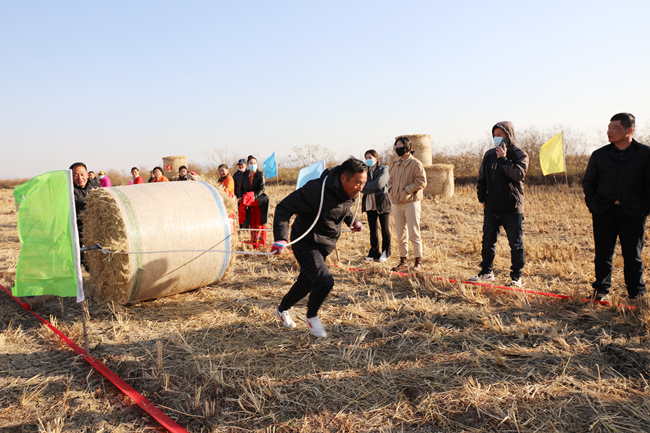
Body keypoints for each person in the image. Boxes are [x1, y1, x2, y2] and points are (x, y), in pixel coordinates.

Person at [271, 158, 365, 337]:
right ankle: (312, 316)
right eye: (358, 183)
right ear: (343, 178)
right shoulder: (315, 190)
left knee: (306, 281)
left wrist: (353, 221)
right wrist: (281, 238)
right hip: (306, 242)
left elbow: (342, 208)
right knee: (324, 281)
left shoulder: (348, 192)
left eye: (364, 183)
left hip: (325, 244)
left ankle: (281, 309)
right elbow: (283, 207)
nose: (361, 187)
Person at [583, 113, 650, 301]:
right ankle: (601, 290)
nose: (609, 131)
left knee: (632, 254)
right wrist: (593, 205)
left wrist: (644, 208)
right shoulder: (600, 155)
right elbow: (589, 182)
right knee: (603, 253)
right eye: (609, 127)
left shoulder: (645, 154)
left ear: (629, 130)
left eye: (615, 128)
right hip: (604, 210)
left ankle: (636, 294)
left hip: (633, 212)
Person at [469, 121, 529, 287]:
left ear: (509, 135)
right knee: (487, 242)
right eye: (495, 135)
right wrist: (482, 198)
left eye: (500, 135)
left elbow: (517, 175)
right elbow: (482, 177)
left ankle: (516, 277)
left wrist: (503, 159)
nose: (497, 138)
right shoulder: (489, 155)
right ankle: (486, 273)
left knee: (516, 244)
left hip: (512, 208)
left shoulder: (520, 154)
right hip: (491, 208)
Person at [387, 136, 427, 272]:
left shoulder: (416, 163)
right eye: (396, 145)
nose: (398, 147)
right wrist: (391, 191)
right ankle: (403, 261)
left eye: (400, 145)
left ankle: (418, 262)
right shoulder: (396, 164)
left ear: (408, 147)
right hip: (397, 203)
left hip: (411, 202)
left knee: (414, 233)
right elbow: (390, 180)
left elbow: (421, 181)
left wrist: (407, 190)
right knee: (400, 234)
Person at [361, 149, 391, 262]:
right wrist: (369, 186)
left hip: (381, 201)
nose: (368, 160)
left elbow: (379, 184)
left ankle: (386, 251)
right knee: (372, 229)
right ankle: (374, 251)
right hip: (369, 202)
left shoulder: (383, 169)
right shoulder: (364, 171)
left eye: (370, 157)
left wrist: (366, 186)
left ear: (376, 158)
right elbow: (361, 187)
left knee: (384, 228)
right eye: (366, 158)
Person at [70, 162, 99, 269]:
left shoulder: (95, 184)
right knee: (77, 250)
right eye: (75, 175)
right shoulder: (68, 189)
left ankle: (92, 267)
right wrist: (86, 204)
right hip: (77, 223)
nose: (80, 178)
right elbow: (73, 204)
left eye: (82, 174)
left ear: (87, 174)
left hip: (95, 222)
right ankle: (81, 264)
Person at [239, 156, 269, 245]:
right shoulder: (244, 175)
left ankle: (260, 242)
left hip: (258, 201)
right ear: (248, 165)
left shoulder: (260, 174)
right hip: (248, 202)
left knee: (259, 221)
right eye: (251, 163)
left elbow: (262, 188)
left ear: (257, 164)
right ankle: (254, 242)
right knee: (251, 221)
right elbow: (242, 188)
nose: (253, 164)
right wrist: (241, 197)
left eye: (254, 163)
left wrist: (253, 197)